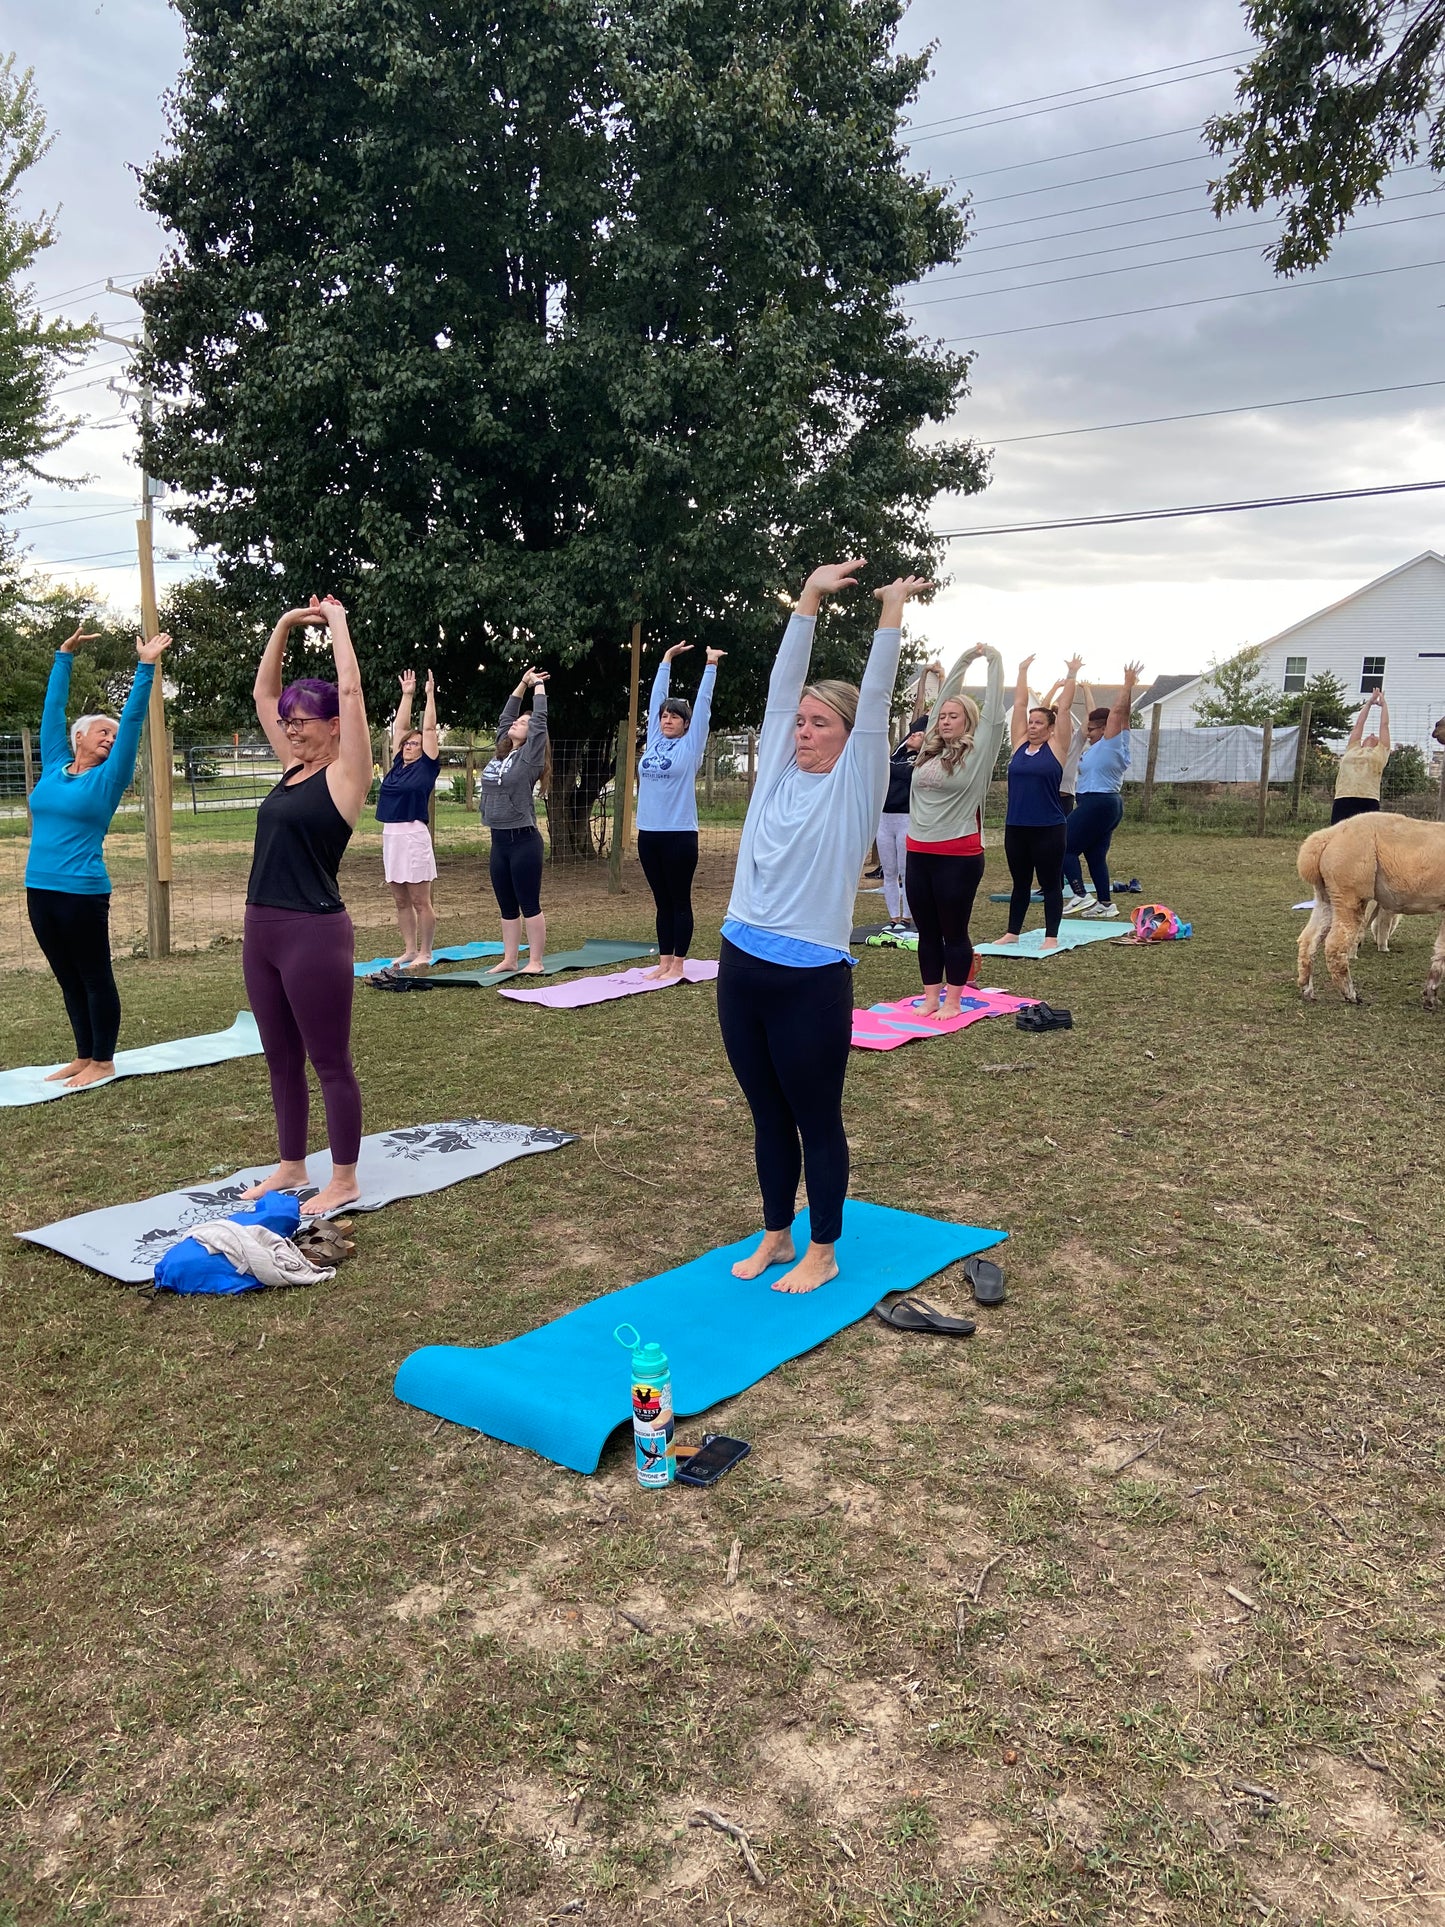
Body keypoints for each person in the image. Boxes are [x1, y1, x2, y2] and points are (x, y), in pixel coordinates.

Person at [719, 561, 930, 1294]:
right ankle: (777, 1233)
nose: (803, 730)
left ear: (848, 736)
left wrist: (889, 614)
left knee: (815, 1117)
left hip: (808, 976)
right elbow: (782, 688)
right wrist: (807, 597)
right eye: (800, 721)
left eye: (819, 723)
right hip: (739, 961)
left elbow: (874, 703)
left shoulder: (855, 785)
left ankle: (823, 1247)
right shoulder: (776, 772)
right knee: (764, 1111)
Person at [240, 596, 372, 1216]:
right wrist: (285, 625)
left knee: (329, 1060)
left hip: (313, 932)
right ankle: (292, 1164)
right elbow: (265, 696)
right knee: (280, 1057)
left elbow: (349, 690)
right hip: (261, 926)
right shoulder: (290, 768)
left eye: (304, 720)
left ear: (334, 726)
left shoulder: (346, 775)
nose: (291, 728)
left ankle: (342, 1177)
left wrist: (338, 625)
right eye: (289, 722)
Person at [24, 623, 174, 1088]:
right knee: (67, 977)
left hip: (82, 893)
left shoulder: (108, 779)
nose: (109, 738)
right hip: (40, 888)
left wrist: (145, 667)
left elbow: (131, 721)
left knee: (93, 975)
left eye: (112, 736)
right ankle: (83, 1054)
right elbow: (52, 711)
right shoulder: (53, 764)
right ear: (78, 739)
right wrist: (62, 657)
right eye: (101, 733)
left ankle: (104, 1060)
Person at [904, 641, 1006, 1017]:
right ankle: (930, 997)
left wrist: (990, 660)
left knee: (953, 931)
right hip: (918, 851)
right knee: (926, 932)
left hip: (958, 855)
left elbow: (995, 711)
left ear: (969, 722)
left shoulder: (979, 751)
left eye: (954, 716)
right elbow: (941, 702)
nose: (945, 720)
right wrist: (961, 661)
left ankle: (953, 998)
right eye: (942, 716)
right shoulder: (930, 750)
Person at [636, 641, 724, 981]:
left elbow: (702, 707)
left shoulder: (690, 746)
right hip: (649, 834)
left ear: (686, 724)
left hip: (679, 835)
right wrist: (666, 660)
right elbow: (656, 698)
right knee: (661, 901)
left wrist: (710, 665)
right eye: (664, 716)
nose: (667, 719)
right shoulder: (655, 741)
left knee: (679, 899)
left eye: (675, 716)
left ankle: (679, 963)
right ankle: (663, 960)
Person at [994, 654, 1080, 952]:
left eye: (1038, 722)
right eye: (1030, 722)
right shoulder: (1019, 746)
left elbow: (1065, 707)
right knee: (1020, 882)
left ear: (1050, 727)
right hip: (1016, 826)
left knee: (1050, 882)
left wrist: (1071, 674)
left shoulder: (1057, 748)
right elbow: (1018, 705)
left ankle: (1051, 936)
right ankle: (1012, 932)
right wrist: (1021, 671)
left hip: (1048, 827)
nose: (1031, 726)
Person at [481, 666, 550, 975]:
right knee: (506, 905)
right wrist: (521, 683)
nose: (518, 724)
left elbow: (540, 723)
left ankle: (535, 961)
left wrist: (538, 689)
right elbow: (504, 719)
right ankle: (510, 959)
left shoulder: (530, 756)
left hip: (523, 840)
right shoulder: (502, 752)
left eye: (525, 723)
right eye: (518, 721)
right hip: (499, 840)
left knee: (528, 902)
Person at [1062, 661, 1143, 919]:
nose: (1087, 734)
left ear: (1105, 728)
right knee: (1095, 855)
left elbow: (1119, 712)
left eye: (1092, 730)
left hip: (1099, 803)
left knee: (1061, 844)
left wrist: (1127, 684)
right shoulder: (1102, 744)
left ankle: (1080, 894)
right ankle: (1106, 904)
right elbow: (1102, 716)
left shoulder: (1112, 742)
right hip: (1104, 804)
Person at [376, 668, 441, 968]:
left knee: (419, 900)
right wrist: (406, 695)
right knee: (401, 900)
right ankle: (409, 949)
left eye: (414, 744)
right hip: (391, 835)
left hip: (414, 834)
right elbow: (399, 729)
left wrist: (428, 696)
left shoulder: (426, 767)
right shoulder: (397, 766)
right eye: (406, 744)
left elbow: (427, 731)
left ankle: (426, 952)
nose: (408, 746)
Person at [876, 708, 929, 932]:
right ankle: (893, 917)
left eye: (919, 735)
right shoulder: (894, 756)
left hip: (906, 818)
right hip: (884, 819)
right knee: (889, 871)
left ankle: (907, 917)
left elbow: (906, 775)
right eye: (913, 734)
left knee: (906, 871)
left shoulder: (922, 759)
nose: (914, 735)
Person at [1332, 690, 1391, 823]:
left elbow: (1384, 726)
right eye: (1368, 734)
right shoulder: (1353, 748)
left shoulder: (1380, 752)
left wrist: (1384, 705)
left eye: (1375, 735)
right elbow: (1359, 724)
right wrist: (1369, 703)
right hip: (1343, 798)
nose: (1371, 734)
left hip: (1368, 800)